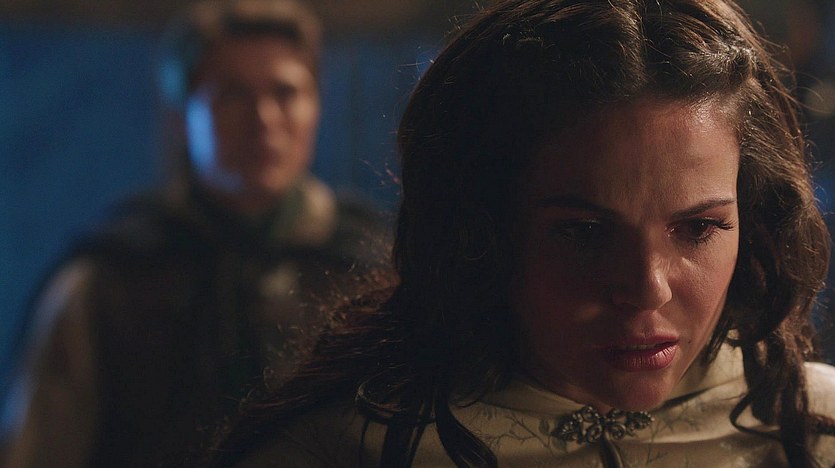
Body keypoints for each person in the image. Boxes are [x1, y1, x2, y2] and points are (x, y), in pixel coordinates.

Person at [206, 0, 835, 466]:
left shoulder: (811, 430)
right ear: (481, 230)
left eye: (698, 228)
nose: (647, 287)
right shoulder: (347, 449)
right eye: (585, 232)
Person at [2, 0, 389, 466]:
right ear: (182, 118)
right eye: (232, 95)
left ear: (315, 107)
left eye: (285, 93)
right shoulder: (112, 281)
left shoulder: (367, 269)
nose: (264, 119)